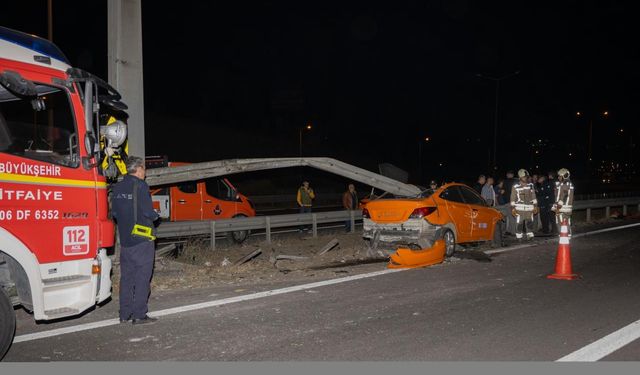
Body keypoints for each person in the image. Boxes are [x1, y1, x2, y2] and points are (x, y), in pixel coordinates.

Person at [112, 156, 160, 325]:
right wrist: (156, 215)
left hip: (125, 239)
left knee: (127, 277)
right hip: (142, 239)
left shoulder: (117, 187)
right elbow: (148, 212)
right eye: (144, 169)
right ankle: (139, 314)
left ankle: (124, 314)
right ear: (139, 169)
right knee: (142, 277)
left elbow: (115, 214)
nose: (145, 173)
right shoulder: (140, 185)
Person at [510, 169, 538, 241]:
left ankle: (530, 235)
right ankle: (519, 236)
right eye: (524, 177)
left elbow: (533, 196)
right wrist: (513, 208)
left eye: (526, 177)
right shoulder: (515, 186)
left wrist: (535, 206)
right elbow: (513, 198)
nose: (525, 178)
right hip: (519, 208)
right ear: (520, 177)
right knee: (519, 223)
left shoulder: (531, 185)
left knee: (529, 222)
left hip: (529, 208)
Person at [552, 168, 575, 236]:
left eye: (560, 176)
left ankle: (564, 235)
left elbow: (564, 195)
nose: (558, 177)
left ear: (564, 176)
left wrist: (559, 205)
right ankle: (567, 234)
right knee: (566, 221)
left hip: (563, 207)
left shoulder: (566, 184)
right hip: (565, 206)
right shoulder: (564, 184)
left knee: (561, 221)